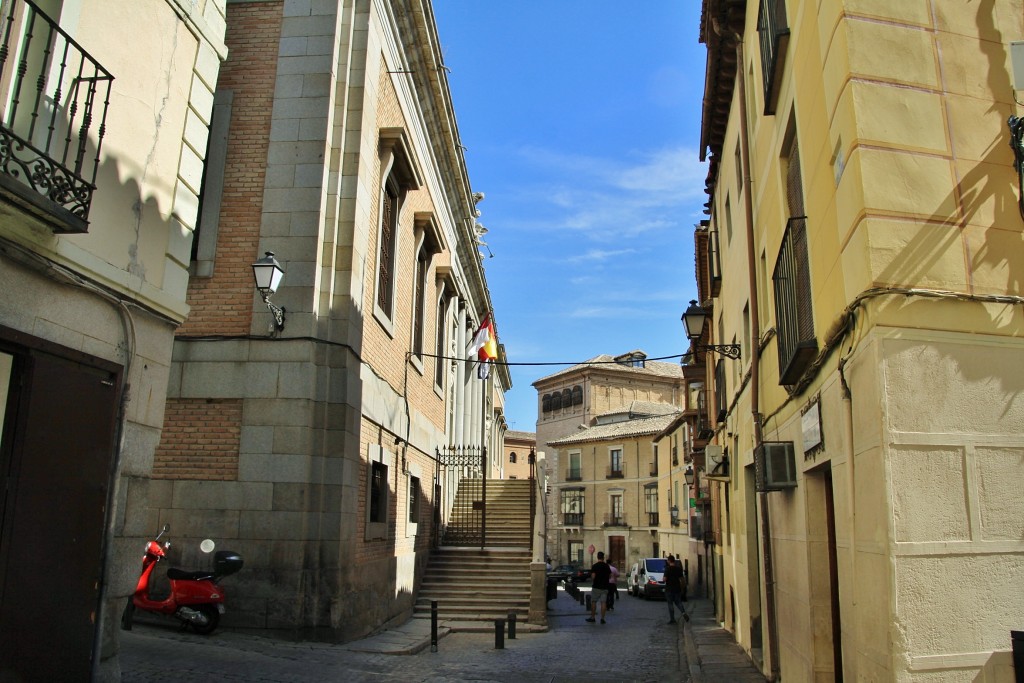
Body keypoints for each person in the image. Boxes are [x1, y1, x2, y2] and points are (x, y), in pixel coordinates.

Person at [586, 551, 612, 624]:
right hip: (605, 587)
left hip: (596, 587)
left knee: (594, 602)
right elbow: (610, 576)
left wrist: (593, 577)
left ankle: (593, 617)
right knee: (603, 602)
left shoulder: (594, 566)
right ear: (603, 557)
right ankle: (602, 619)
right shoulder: (607, 566)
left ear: (597, 557)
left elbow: (593, 577)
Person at [664, 554, 689, 624]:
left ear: (669, 561)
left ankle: (672, 619)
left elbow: (664, 579)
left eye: (667, 561)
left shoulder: (667, 569)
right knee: (678, 602)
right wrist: (683, 588)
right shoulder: (678, 569)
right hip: (677, 589)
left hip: (669, 589)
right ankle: (683, 612)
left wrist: (665, 578)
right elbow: (682, 579)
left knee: (670, 604)